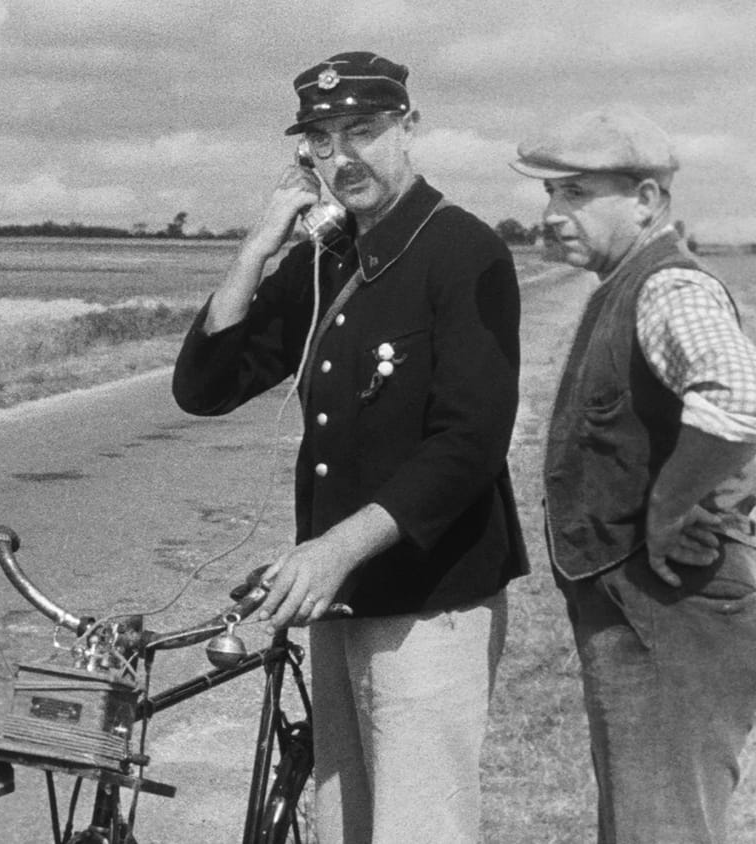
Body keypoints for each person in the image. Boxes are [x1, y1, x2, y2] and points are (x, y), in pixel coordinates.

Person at [172, 51, 528, 842]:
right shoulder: (326, 258)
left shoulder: (461, 250)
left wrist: (335, 548)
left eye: (363, 131)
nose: (343, 158)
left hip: (431, 598)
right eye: (322, 141)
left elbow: (470, 442)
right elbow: (205, 386)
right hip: (342, 596)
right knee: (344, 824)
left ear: (409, 128)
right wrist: (260, 244)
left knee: (418, 825)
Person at [510, 106, 756, 844]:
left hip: (674, 608)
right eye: (550, 193)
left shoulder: (667, 288)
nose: (552, 212)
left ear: (647, 200)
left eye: (576, 192)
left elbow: (742, 398)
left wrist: (669, 504)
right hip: (641, 604)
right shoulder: (624, 283)